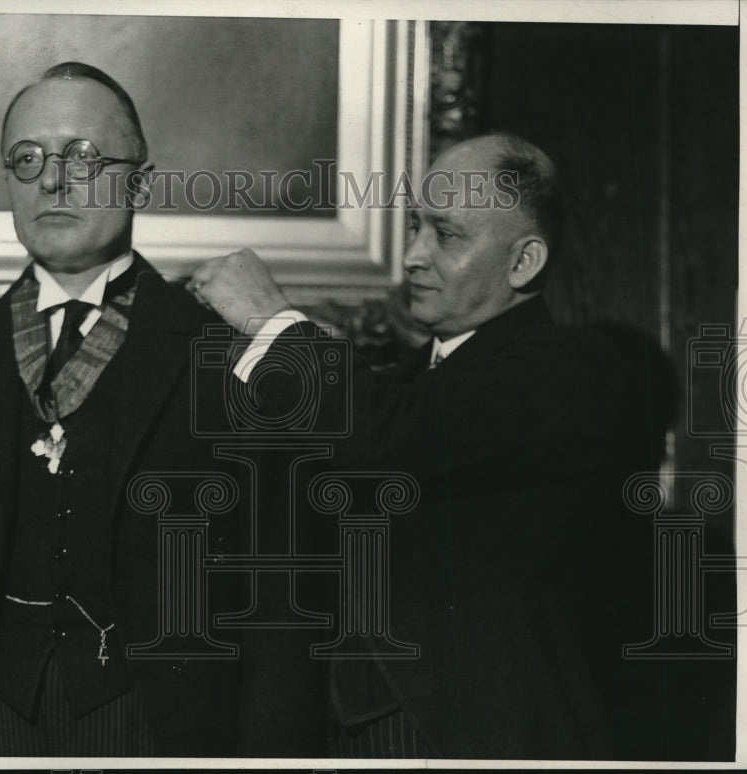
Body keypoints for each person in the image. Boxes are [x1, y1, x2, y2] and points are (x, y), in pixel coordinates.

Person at [0, 62, 275, 757]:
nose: (52, 180)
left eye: (83, 156)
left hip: (161, 728)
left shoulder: (218, 353)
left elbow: (270, 611)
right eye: (27, 160)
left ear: (139, 180)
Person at [188, 133, 654, 759]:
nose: (412, 256)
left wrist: (272, 319)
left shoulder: (575, 371)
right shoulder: (402, 383)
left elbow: (390, 435)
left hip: (468, 739)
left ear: (524, 262)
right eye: (414, 227)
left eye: (447, 234)